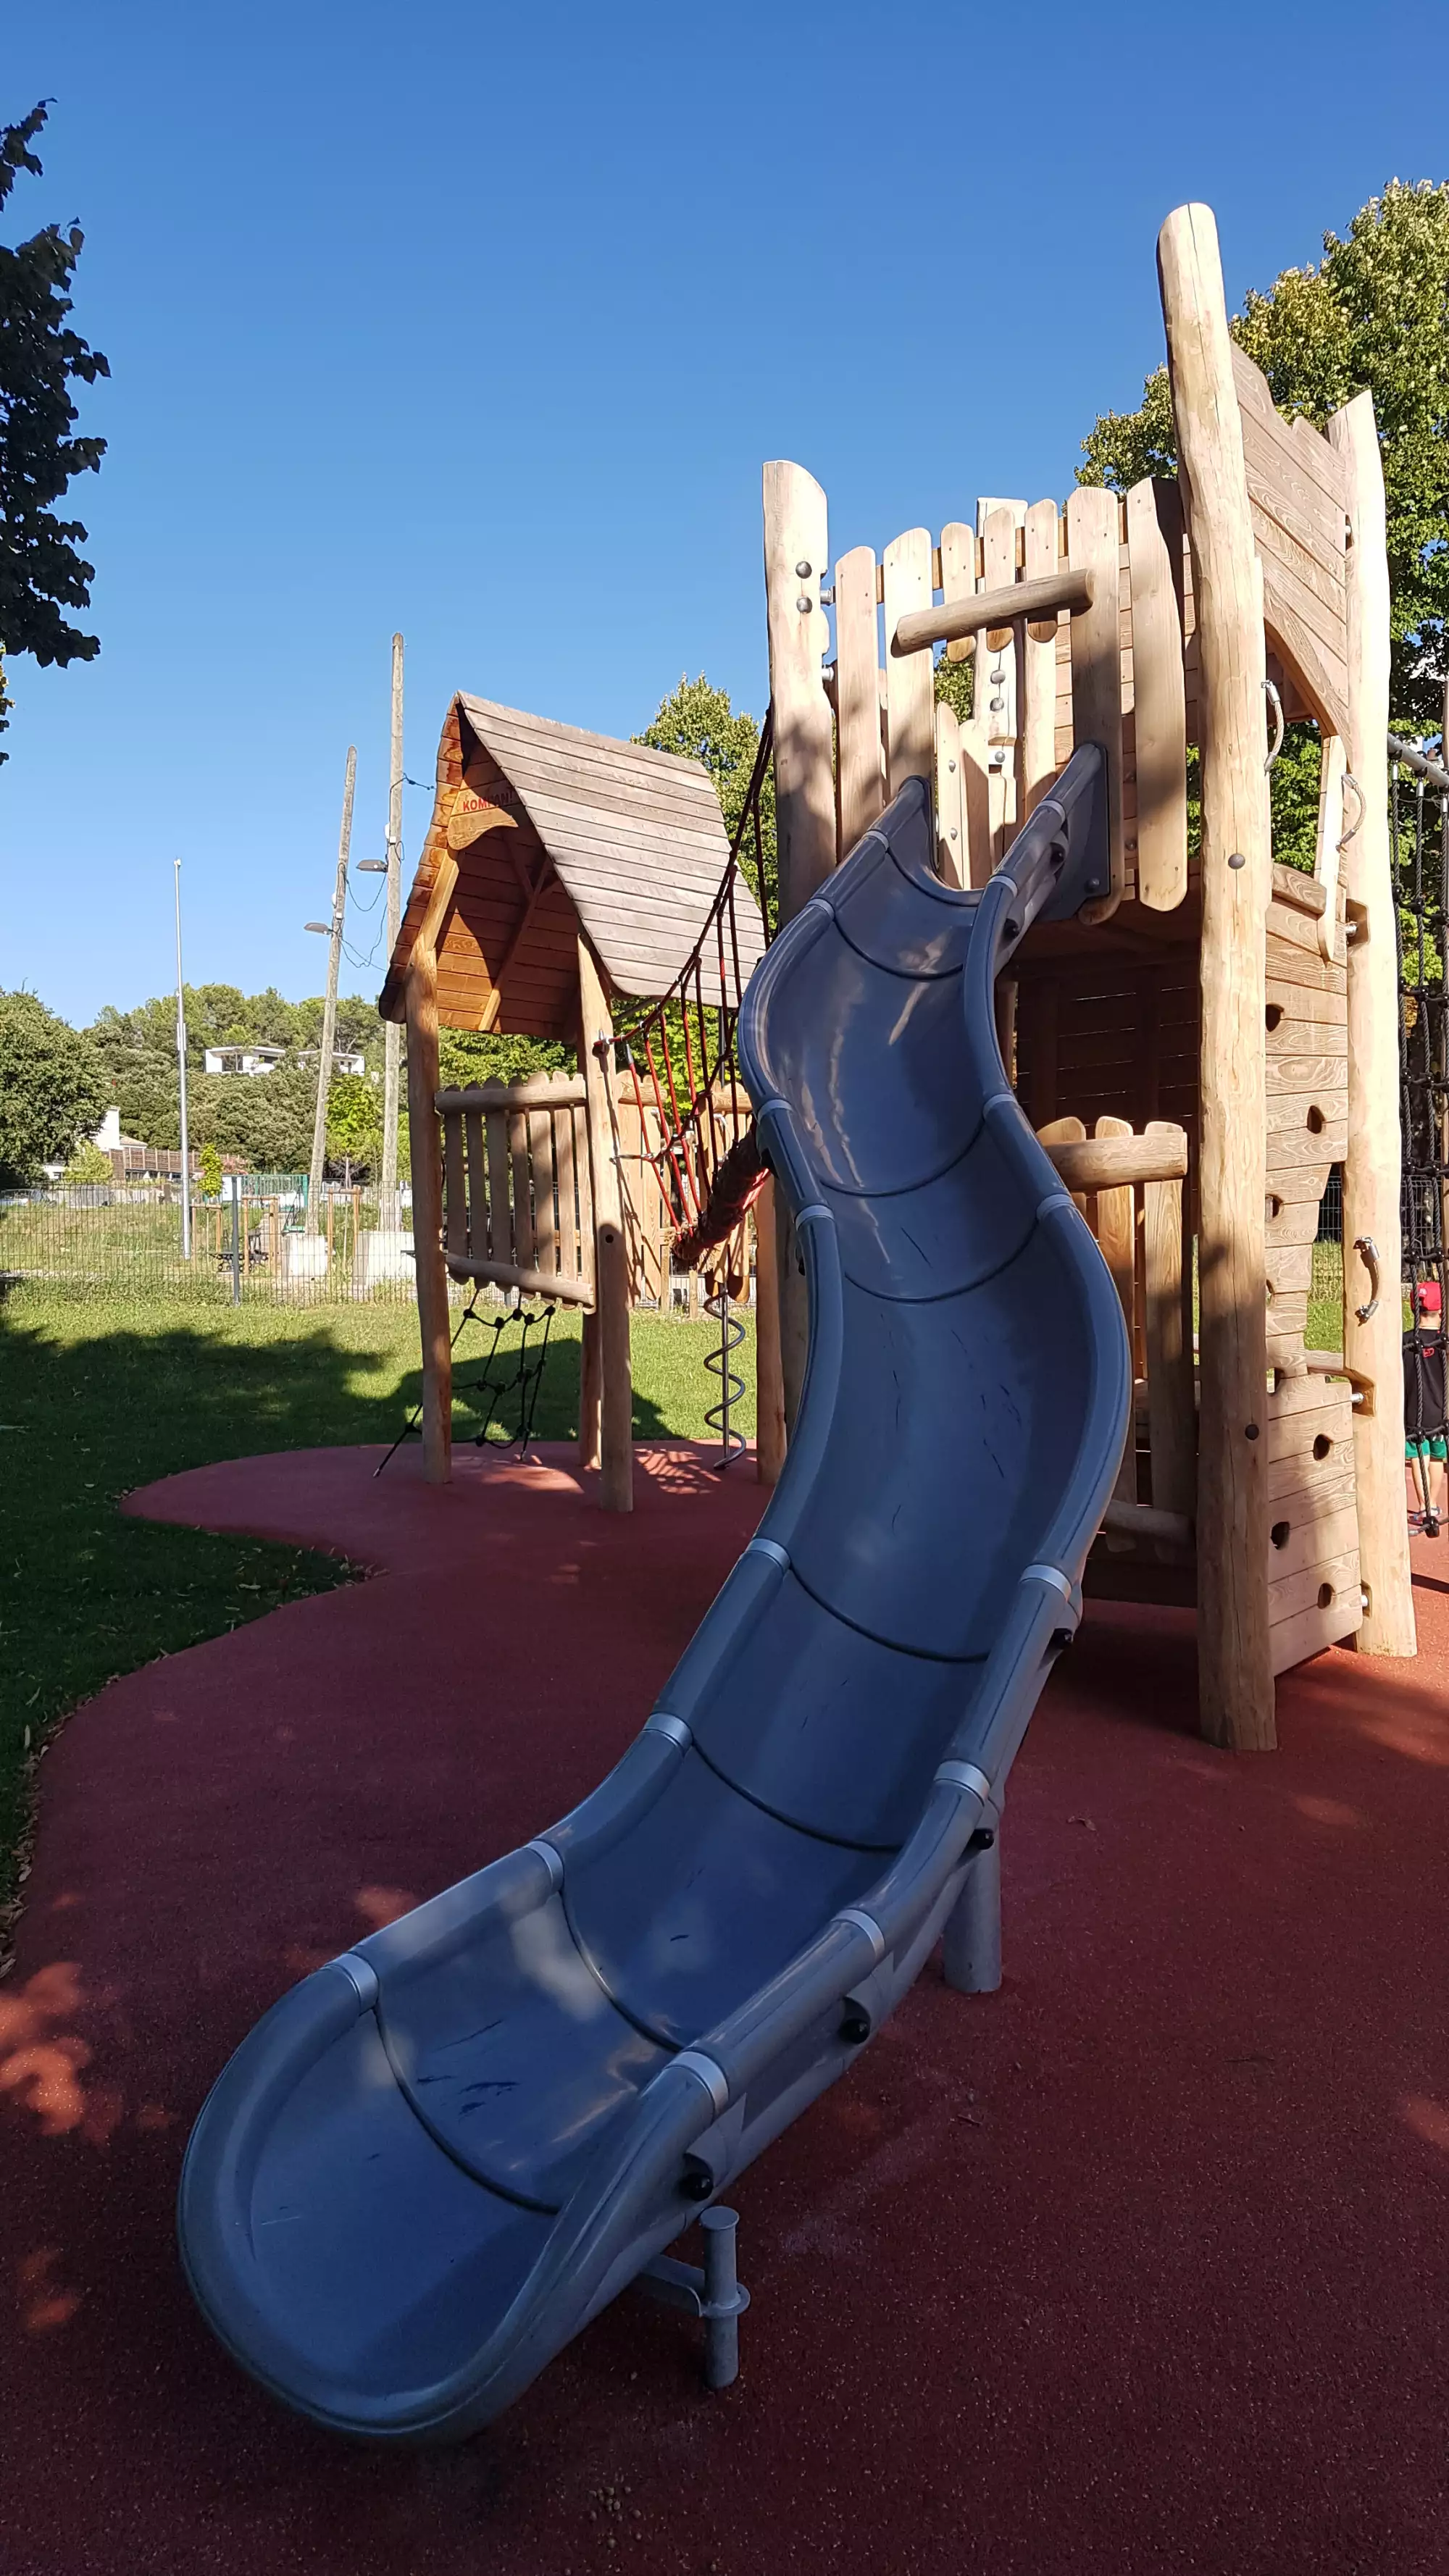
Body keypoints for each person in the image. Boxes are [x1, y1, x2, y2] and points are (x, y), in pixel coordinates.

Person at [1404, 1278, 1447, 1533]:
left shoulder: (1406, 1341)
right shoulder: (1444, 1341)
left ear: (1414, 1307)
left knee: (1419, 1456)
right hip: (1440, 1413)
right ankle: (1434, 1505)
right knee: (1437, 1457)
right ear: (1440, 1310)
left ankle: (1424, 1506)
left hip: (1414, 1411)